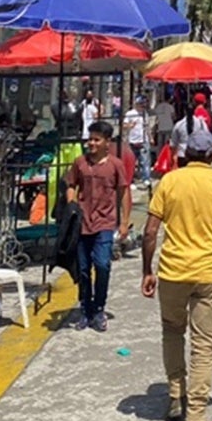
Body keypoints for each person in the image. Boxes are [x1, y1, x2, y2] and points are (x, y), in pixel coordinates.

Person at [141, 126, 212, 421]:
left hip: (173, 272)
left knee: (172, 331)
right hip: (210, 274)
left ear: (186, 154)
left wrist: (147, 270)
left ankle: (176, 395)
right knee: (203, 345)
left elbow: (150, 231)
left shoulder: (170, 181)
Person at [64, 121, 132, 332]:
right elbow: (71, 185)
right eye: (90, 139)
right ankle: (86, 309)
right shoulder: (80, 163)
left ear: (107, 142)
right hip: (82, 224)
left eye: (96, 139)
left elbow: (124, 192)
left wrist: (124, 222)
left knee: (102, 265)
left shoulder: (115, 165)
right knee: (83, 269)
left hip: (105, 222)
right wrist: (71, 205)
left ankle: (99, 307)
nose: (91, 143)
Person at [122, 96, 150, 187]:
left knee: (145, 161)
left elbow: (147, 126)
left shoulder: (145, 114)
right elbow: (124, 125)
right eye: (141, 104)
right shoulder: (130, 113)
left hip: (143, 140)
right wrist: (130, 125)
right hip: (132, 141)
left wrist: (150, 137)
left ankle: (146, 178)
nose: (142, 106)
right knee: (132, 161)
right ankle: (131, 179)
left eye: (144, 104)